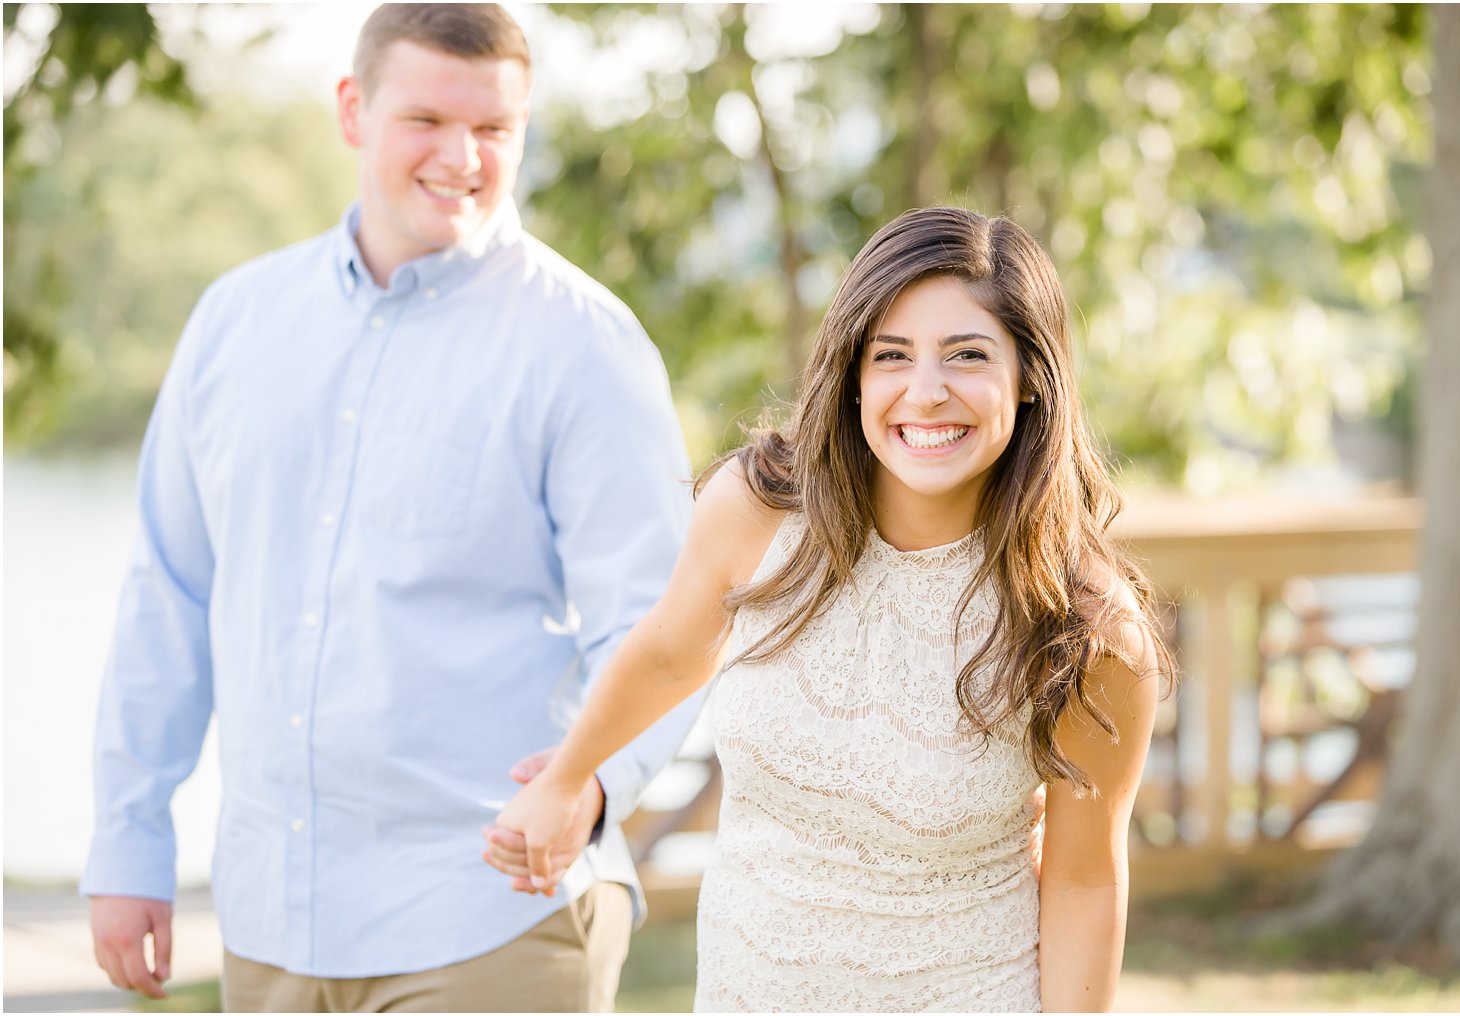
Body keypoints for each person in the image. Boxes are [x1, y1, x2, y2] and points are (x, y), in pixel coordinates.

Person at [83, 4, 702, 1011]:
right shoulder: (235, 322)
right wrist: (129, 836)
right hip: (273, 918)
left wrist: (591, 785)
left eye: (494, 129)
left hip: (496, 911)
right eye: (425, 119)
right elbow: (170, 591)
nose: (462, 156)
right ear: (352, 110)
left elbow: (662, 621)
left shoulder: (583, 345)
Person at [485, 207, 1175, 1012]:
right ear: (852, 373)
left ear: (1029, 379)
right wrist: (567, 779)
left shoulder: (1085, 629)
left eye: (967, 355)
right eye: (892, 356)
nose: (926, 392)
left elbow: (1086, 881)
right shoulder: (759, 510)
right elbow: (671, 651)